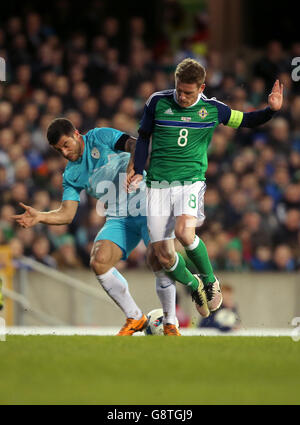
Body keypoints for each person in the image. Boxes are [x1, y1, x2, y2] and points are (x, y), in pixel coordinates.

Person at [128, 58, 283, 317]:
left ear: (201, 88)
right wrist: (138, 170)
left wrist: (271, 110)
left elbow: (246, 120)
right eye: (178, 89)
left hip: (190, 181)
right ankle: (194, 285)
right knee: (163, 257)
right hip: (158, 184)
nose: (182, 96)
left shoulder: (213, 109)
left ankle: (211, 280)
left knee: (185, 233)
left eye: (188, 92)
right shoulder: (157, 101)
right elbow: (144, 136)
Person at [12, 118, 180, 336]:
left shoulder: (100, 137)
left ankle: (170, 322)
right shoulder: (72, 174)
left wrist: (133, 166)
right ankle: (135, 316)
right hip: (118, 216)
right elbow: (67, 213)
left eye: (66, 145)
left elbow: (134, 144)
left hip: (146, 203)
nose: (63, 152)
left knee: (160, 257)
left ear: (76, 134)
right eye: (58, 150)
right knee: (99, 261)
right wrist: (40, 217)